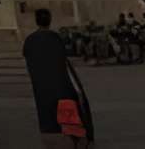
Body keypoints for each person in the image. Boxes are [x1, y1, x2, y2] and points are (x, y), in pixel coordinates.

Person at [23, 8, 93, 142]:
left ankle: (48, 125)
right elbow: (62, 59)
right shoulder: (55, 38)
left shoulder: (30, 40)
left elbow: (28, 58)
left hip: (40, 82)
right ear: (50, 20)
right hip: (58, 81)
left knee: (45, 105)